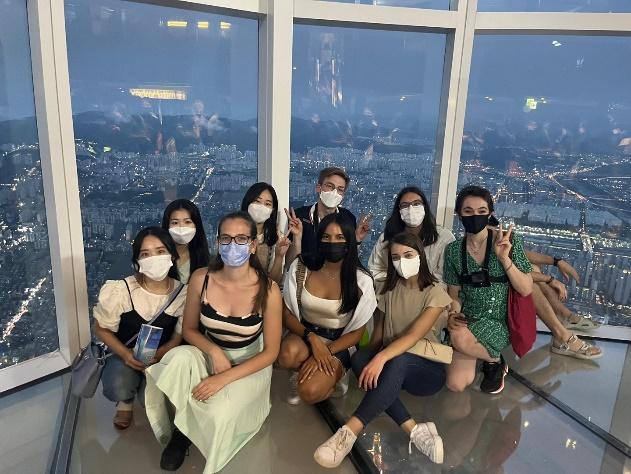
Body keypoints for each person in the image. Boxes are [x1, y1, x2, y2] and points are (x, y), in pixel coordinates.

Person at [144, 211, 282, 473]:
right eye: (226, 238)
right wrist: (214, 352)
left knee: (218, 412)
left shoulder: (269, 290)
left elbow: (271, 352)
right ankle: (180, 432)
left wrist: (224, 378)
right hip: (210, 354)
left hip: (250, 365)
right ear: (218, 242)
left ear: (253, 245)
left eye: (241, 239)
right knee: (178, 359)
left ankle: (209, 436)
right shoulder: (201, 278)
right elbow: (189, 329)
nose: (233, 245)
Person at [313, 232, 451, 468]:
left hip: (426, 370)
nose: (402, 261)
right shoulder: (388, 290)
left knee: (399, 359)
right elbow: (378, 336)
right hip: (393, 365)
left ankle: (348, 433)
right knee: (361, 358)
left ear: (420, 255)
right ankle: (414, 430)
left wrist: (381, 358)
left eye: (408, 255)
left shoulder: (435, 292)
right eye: (395, 257)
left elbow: (413, 336)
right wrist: (360, 362)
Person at [278, 213, 376, 406]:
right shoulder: (301, 267)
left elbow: (357, 334)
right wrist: (313, 339)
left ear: (349, 241)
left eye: (340, 237)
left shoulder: (362, 281)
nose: (332, 243)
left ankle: (332, 378)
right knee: (287, 355)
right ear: (318, 239)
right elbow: (287, 313)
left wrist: (325, 352)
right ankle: (308, 373)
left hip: (340, 341)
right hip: (306, 334)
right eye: (326, 237)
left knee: (309, 392)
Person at [93, 227, 187, 430]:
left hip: (160, 357)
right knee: (118, 385)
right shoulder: (122, 290)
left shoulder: (182, 294)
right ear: (137, 261)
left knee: (154, 402)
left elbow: (178, 336)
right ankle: (125, 401)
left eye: (161, 251)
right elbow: (101, 329)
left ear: (172, 255)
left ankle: (142, 388)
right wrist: (126, 354)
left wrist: (161, 354)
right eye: (145, 254)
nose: (154, 258)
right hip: (123, 353)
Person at [443, 185, 533, 395]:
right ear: (459, 215)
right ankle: (493, 358)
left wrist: (504, 259)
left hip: (500, 322)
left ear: (490, 213)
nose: (475, 216)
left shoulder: (509, 242)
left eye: (481, 211)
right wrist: (453, 313)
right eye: (468, 211)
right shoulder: (454, 251)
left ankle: (489, 358)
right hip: (469, 319)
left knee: (458, 338)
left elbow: (526, 288)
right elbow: (454, 293)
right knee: (456, 384)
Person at [368, 186, 455, 287]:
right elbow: (375, 269)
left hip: (430, 293)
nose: (410, 209)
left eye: (416, 204)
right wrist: (398, 285)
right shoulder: (387, 237)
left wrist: (417, 288)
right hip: (393, 291)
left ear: (425, 207)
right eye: (405, 205)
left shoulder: (444, 237)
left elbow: (446, 277)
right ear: (399, 210)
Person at [284, 167, 370, 265]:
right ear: (318, 188)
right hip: (304, 272)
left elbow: (349, 260)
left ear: (343, 196)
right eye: (330, 186)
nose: (334, 193)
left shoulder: (348, 218)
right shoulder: (299, 216)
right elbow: (289, 264)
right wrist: (297, 238)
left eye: (340, 189)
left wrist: (357, 240)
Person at [241, 182, 291, 284]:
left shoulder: (277, 238)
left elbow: (274, 282)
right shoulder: (232, 232)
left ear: (272, 210)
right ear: (248, 202)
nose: (261, 207)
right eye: (257, 201)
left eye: (267, 204)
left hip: (264, 292)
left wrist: (279, 256)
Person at [162, 199, 210, 283]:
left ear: (196, 225)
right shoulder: (159, 258)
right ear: (167, 226)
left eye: (187, 222)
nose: (181, 227)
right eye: (175, 223)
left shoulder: (208, 261)